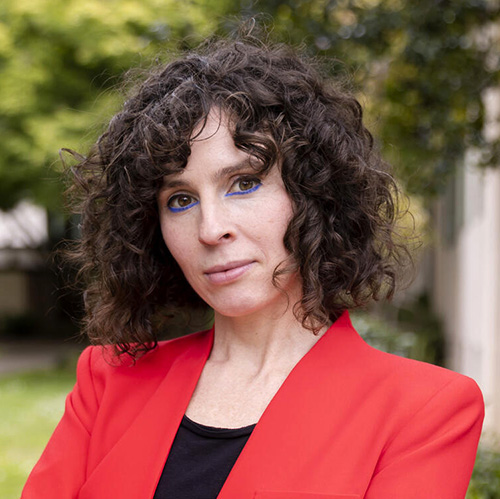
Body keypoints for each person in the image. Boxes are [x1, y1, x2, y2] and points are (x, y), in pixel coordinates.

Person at [22, 30, 483, 499]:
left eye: (243, 183)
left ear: (314, 193)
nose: (210, 228)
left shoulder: (424, 411)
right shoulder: (107, 381)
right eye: (180, 199)